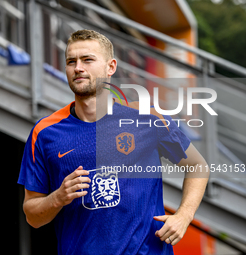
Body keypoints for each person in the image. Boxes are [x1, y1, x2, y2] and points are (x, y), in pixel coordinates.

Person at [18, 29, 209, 255]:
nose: (78, 67)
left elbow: (198, 166)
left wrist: (184, 215)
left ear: (111, 67)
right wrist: (58, 197)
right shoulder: (44, 132)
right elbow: (32, 216)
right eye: (71, 61)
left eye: (88, 60)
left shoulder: (148, 118)